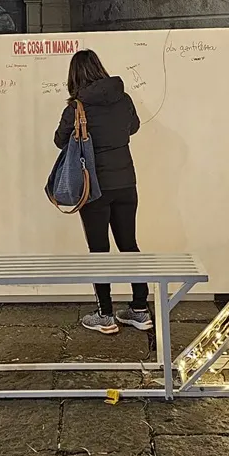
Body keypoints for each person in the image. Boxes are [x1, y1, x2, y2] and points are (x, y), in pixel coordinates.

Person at [54, 49, 153, 335]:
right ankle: (139, 309)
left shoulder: (77, 108)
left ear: (74, 75)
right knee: (129, 245)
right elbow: (132, 127)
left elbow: (60, 140)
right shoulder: (123, 98)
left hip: (93, 188)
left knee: (100, 250)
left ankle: (106, 314)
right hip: (126, 183)